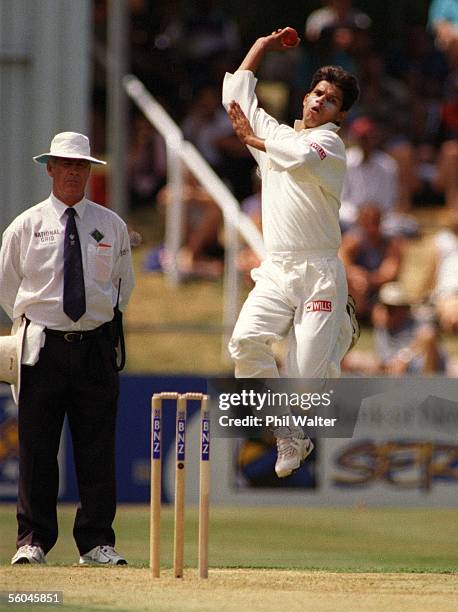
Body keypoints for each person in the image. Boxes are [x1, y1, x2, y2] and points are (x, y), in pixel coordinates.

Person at [222, 28, 360, 478]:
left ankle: (339, 323)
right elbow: (237, 100)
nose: (321, 101)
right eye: (318, 93)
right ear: (305, 96)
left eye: (332, 100)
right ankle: (289, 431)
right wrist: (262, 45)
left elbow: (298, 156)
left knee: (305, 381)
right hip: (278, 267)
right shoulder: (278, 135)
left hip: (319, 270)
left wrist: (253, 141)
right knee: (244, 344)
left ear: (340, 115)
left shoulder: (331, 145)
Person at [0, 132, 134, 565]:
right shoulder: (27, 224)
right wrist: (40, 321)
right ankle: (32, 541)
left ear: (90, 171)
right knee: (38, 448)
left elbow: (122, 288)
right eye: (65, 164)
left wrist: (92, 321)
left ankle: (96, 542)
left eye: (81, 165)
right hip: (42, 347)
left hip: (95, 345)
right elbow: (6, 289)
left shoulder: (109, 224)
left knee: (96, 446)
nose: (74, 172)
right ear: (50, 169)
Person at [340, 204, 403, 320]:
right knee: (350, 284)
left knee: (383, 310)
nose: (371, 227)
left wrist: (367, 279)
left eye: (374, 222)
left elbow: (389, 274)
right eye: (366, 223)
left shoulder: (391, 244)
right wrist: (356, 274)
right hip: (359, 288)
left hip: (380, 290)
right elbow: (342, 263)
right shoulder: (353, 241)